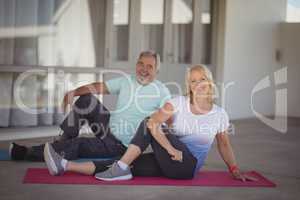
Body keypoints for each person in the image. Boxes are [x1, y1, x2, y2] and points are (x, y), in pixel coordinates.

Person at [43, 64, 257, 182]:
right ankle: (65, 165)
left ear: (209, 81)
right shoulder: (178, 103)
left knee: (148, 124)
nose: (198, 83)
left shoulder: (219, 114)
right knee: (123, 161)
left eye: (202, 79)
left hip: (187, 167)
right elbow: (154, 124)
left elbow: (224, 144)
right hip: (170, 160)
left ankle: (122, 168)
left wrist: (234, 169)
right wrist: (170, 148)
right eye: (193, 80)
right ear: (189, 86)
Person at [9, 50, 171, 162]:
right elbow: (98, 86)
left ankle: (27, 153)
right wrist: (73, 93)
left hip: (119, 145)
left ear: (157, 71)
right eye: (141, 64)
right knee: (86, 99)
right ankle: (64, 138)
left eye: (149, 66)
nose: (144, 69)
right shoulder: (127, 80)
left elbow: (170, 115)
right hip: (107, 127)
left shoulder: (161, 91)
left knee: (79, 144)